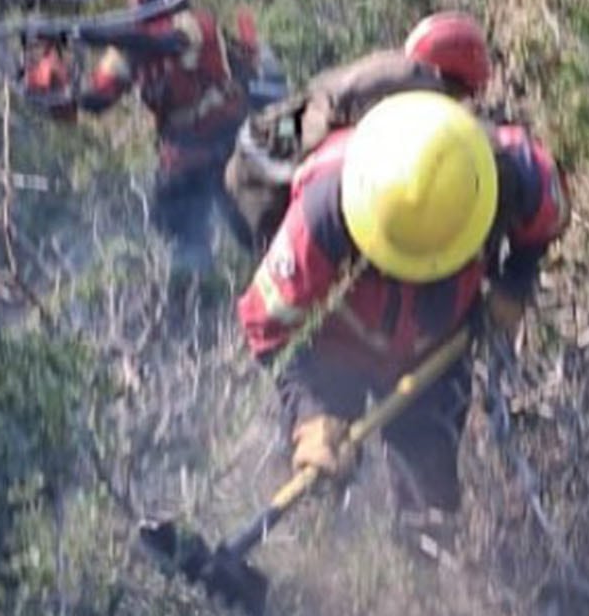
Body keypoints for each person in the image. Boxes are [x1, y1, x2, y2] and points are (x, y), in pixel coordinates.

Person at [236, 89, 568, 556]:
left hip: (436, 349)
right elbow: (264, 323)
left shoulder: (512, 173)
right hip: (334, 353)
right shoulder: (323, 210)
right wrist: (311, 410)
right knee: (321, 473)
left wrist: (514, 283)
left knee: (430, 493)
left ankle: (423, 575)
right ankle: (306, 567)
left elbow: (547, 218)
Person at [24, 0, 253, 274]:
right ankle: (199, 292)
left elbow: (163, 43)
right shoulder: (130, 47)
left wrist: (76, 32)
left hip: (227, 146)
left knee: (251, 231)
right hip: (183, 157)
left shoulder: (193, 24)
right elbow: (99, 99)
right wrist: (54, 93)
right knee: (180, 240)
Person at [225, 10, 495, 253]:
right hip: (265, 177)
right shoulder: (420, 90)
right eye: (467, 93)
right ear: (454, 80)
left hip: (261, 150)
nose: (467, 103)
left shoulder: (398, 70)